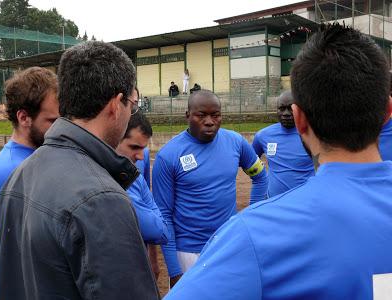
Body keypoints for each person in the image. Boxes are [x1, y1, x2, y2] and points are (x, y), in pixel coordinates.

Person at [164, 24, 392, 300]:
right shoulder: (172, 155)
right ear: (387, 112)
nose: (210, 121)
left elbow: (258, 173)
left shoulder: (253, 235)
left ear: (299, 120)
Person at [0, 41, 160, 299]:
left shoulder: (21, 173)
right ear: (116, 105)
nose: (131, 113)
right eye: (132, 105)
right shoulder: (101, 199)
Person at [152, 89, 268, 288]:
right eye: (201, 115)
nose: (209, 121)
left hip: (228, 245)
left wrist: (250, 217)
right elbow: (164, 214)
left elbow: (260, 177)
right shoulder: (168, 156)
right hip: (188, 253)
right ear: (187, 115)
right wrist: (174, 270)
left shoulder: (236, 142)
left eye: (215, 115)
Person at [0, 67, 59, 239]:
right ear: (23, 118)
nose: (60, 128)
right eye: (52, 121)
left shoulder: (40, 156)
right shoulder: (12, 169)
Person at [116, 111, 169, 245]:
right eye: (134, 147)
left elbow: (162, 230)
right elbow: (156, 230)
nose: (141, 156)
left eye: (143, 149)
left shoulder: (134, 174)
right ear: (114, 137)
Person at [252, 91, 315, 196]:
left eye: (290, 108)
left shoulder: (312, 135)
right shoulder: (263, 135)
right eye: (281, 109)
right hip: (274, 204)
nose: (286, 113)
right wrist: (261, 178)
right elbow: (250, 161)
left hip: (305, 203)